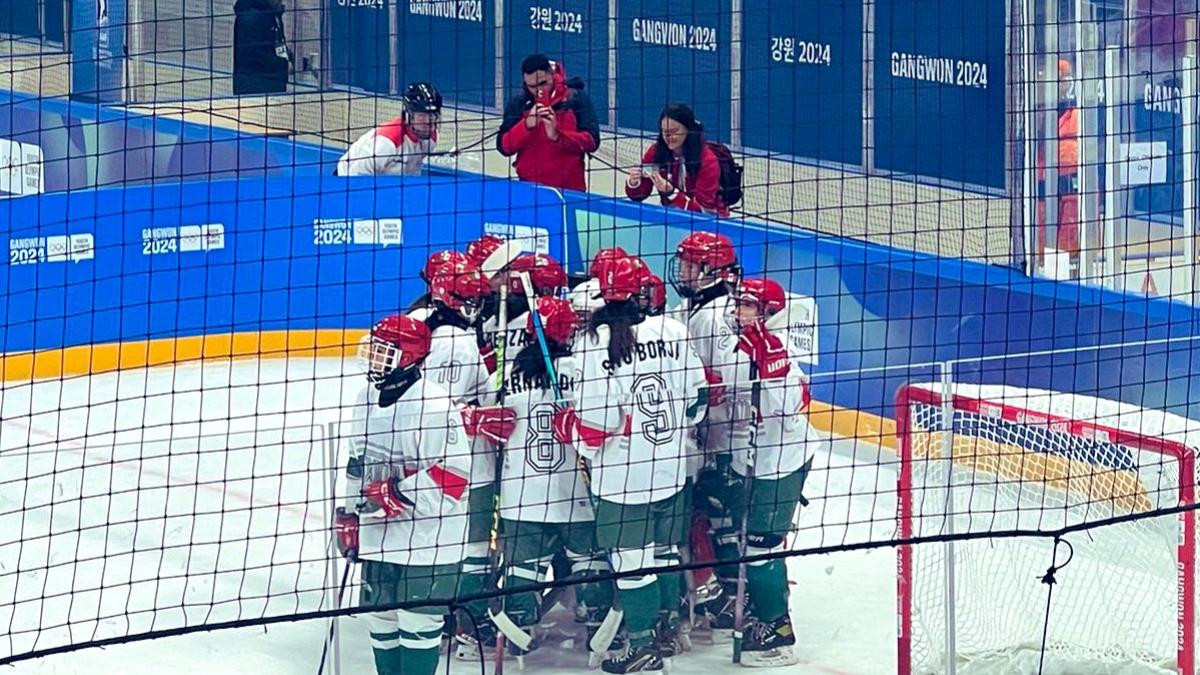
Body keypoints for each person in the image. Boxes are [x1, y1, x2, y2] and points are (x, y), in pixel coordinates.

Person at [554, 254, 707, 673]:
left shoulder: (593, 342)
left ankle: (641, 648)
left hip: (623, 479)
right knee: (662, 556)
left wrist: (567, 425)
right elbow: (699, 401)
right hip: (672, 469)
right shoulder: (673, 329)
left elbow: (596, 427)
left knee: (631, 567)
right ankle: (667, 631)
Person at [333, 313, 472, 675]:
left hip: (428, 541)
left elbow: (454, 479)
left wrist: (396, 493)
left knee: (418, 625)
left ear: (407, 357)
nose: (373, 358)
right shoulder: (366, 397)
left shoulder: (435, 406)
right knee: (380, 620)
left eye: (382, 351)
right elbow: (356, 462)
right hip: (379, 535)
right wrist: (349, 513)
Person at [493, 296, 613, 663]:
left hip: (522, 493)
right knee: (589, 563)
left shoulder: (509, 372)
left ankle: (517, 631)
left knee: (521, 569)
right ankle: (599, 629)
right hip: (574, 489)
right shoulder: (584, 369)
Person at [722, 277, 813, 667]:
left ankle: (778, 630)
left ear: (768, 313)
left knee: (761, 546)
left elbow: (790, 404)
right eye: (738, 303)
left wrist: (771, 367)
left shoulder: (781, 351)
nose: (737, 310)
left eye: (746, 305)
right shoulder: (739, 346)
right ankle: (761, 608)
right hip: (751, 460)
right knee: (745, 540)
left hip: (780, 463)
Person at [667, 231, 746, 638]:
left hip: (724, 440)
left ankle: (731, 595)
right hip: (697, 437)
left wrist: (702, 388)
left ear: (711, 269)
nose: (682, 271)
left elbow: (734, 383)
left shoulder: (719, 317)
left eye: (689, 264)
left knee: (718, 519)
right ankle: (714, 592)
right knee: (701, 517)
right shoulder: (687, 309)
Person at [497, 53, 601, 192]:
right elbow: (504, 147)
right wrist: (526, 126)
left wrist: (558, 137)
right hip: (528, 189)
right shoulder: (519, 103)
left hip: (570, 192)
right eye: (532, 86)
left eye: (543, 83)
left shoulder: (575, 98)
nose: (538, 91)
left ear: (551, 74)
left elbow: (592, 142)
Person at [626, 104, 730, 217]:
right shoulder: (656, 152)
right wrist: (634, 183)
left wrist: (671, 193)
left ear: (688, 129)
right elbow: (639, 195)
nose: (668, 136)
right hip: (671, 215)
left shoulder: (707, 160)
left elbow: (701, 212)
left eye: (674, 131)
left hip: (711, 219)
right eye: (664, 131)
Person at [337, 82, 442, 176]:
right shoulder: (387, 142)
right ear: (408, 115)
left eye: (433, 115)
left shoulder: (432, 137)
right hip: (348, 178)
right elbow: (356, 174)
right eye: (421, 115)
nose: (428, 122)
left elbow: (413, 169)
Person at [1036, 59, 1079, 268]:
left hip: (1071, 199)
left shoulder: (1077, 117)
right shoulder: (1036, 116)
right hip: (1044, 198)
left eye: (1064, 79)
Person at [232, 0, 290, 95]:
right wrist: (283, 64)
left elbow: (278, 43)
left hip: (272, 84)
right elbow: (253, 55)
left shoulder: (271, 15)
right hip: (255, 87)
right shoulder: (251, 18)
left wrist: (288, 58)